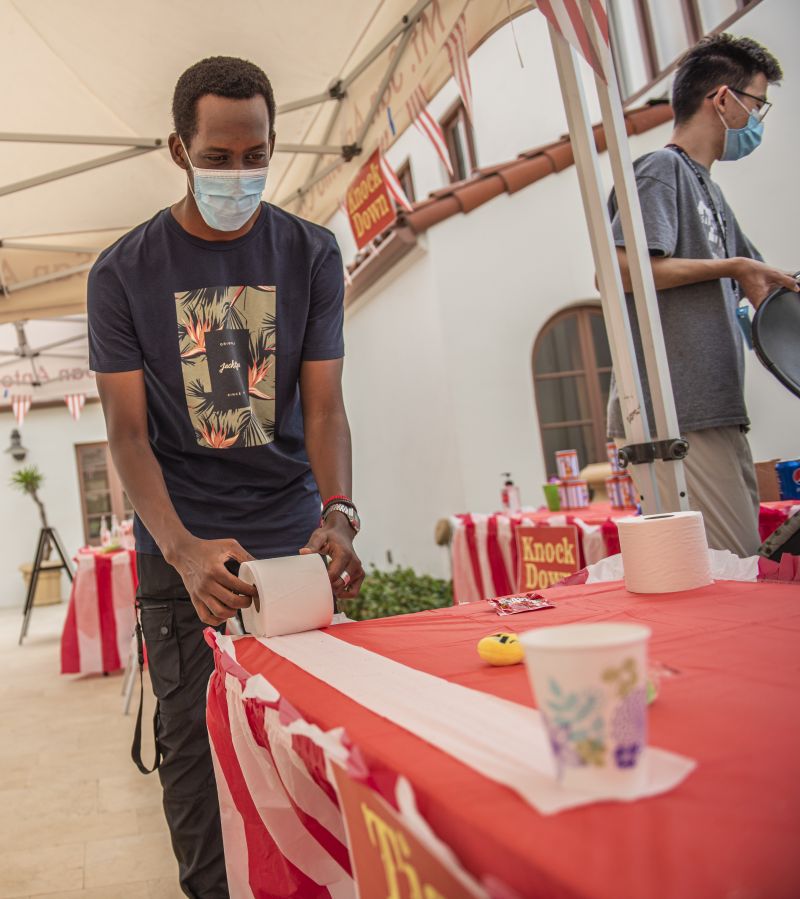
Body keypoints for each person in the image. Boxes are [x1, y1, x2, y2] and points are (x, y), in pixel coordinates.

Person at [88, 56, 364, 898]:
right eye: (219, 157)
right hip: (184, 559)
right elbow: (129, 435)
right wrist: (181, 550)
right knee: (200, 771)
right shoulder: (123, 273)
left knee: (314, 751)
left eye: (256, 156)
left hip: (292, 551)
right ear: (179, 149)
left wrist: (341, 514)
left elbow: (323, 408)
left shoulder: (310, 252)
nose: (239, 175)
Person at [607, 33, 799, 557]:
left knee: (744, 567)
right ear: (722, 98)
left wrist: (759, 279)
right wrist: (736, 265)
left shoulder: (709, 191)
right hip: (676, 412)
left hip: (715, 408)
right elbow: (622, 270)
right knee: (731, 574)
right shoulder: (660, 170)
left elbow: (767, 290)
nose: (758, 120)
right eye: (757, 104)